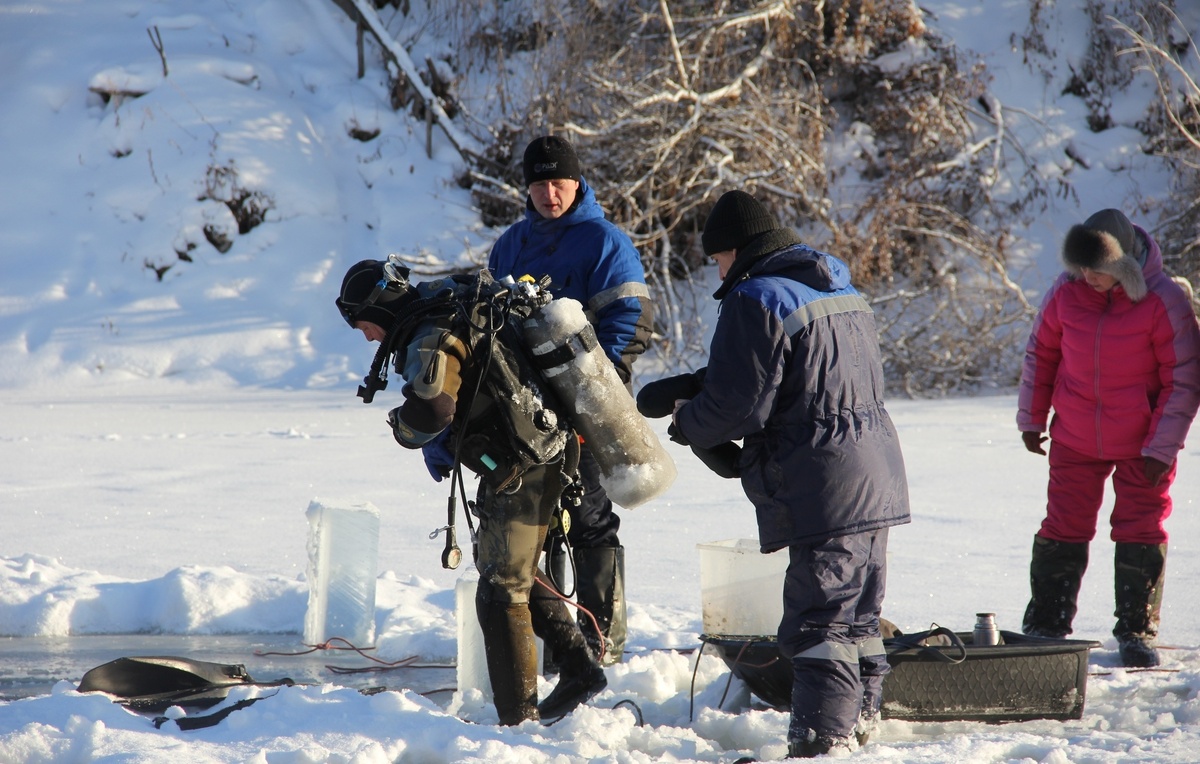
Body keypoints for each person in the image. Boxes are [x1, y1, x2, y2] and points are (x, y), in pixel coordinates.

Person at [667, 190, 910, 757]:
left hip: (823, 482)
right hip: (875, 473)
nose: (717, 272)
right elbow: (803, 378)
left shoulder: (754, 297)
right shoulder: (837, 288)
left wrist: (689, 421)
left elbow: (741, 407)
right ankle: (859, 726)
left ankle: (821, 743)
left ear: (734, 249)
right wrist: (703, 384)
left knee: (818, 625)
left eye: (717, 259)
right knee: (859, 617)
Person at [334, 259, 608, 725]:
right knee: (507, 569)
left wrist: (403, 427)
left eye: (365, 326)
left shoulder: (429, 331)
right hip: (538, 452)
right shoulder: (452, 302)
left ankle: (518, 722)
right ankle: (579, 667)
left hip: (528, 463)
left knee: (500, 592)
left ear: (379, 309)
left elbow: (434, 409)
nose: (368, 338)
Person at [479, 134, 654, 666]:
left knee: (590, 515)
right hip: (523, 410)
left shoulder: (604, 242)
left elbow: (633, 318)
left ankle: (602, 641)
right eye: (539, 184)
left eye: (559, 183)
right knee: (532, 517)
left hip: (585, 403)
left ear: (577, 183)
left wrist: (596, 382)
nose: (550, 194)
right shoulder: (510, 245)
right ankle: (554, 646)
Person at [1017, 208, 1200, 668]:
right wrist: (1031, 418)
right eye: (1079, 268)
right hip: (1075, 436)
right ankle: (1046, 624)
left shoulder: (1163, 302)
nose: (1085, 277)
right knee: (1062, 526)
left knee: (1140, 528)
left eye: (1095, 271)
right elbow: (1042, 354)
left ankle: (1136, 630)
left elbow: (1184, 380)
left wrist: (1162, 447)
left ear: (1123, 267)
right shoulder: (1066, 292)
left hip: (1144, 445)